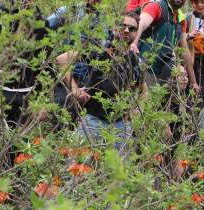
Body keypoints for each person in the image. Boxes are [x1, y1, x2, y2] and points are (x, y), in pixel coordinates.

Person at [61, 11, 145, 150]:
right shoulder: (99, 49)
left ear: (136, 33)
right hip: (92, 120)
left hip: (121, 126)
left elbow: (143, 89)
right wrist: (75, 90)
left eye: (131, 29)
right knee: (79, 167)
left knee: (116, 170)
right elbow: (63, 60)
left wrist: (138, 109)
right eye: (122, 26)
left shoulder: (135, 59)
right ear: (113, 27)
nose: (126, 30)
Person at [0, 0, 49, 126]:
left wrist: (41, 102)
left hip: (26, 95)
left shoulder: (41, 24)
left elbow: (45, 66)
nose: (21, 2)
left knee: (20, 146)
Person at [130, 0, 196, 90]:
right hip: (144, 69)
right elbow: (141, 22)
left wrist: (193, 82)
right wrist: (134, 43)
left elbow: (185, 51)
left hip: (162, 74)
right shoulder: (156, 7)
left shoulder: (181, 19)